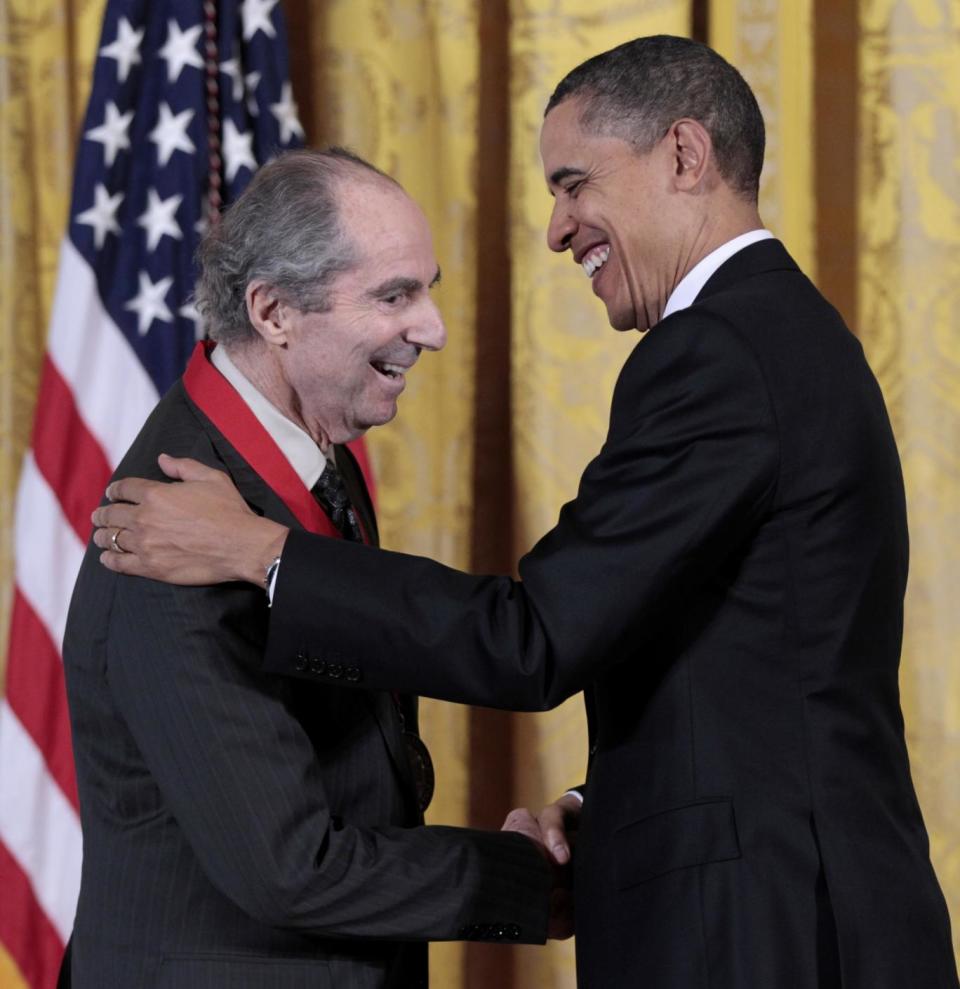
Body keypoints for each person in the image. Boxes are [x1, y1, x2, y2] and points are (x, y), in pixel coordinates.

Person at [92, 37, 960, 988]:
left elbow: (534, 636)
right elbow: (736, 659)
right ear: (273, 312)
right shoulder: (174, 514)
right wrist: (604, 811)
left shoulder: (720, 351)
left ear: (683, 156)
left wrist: (266, 555)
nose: (557, 228)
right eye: (396, 293)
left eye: (574, 181)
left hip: (773, 932)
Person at [62, 148, 562, 989]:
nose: (433, 327)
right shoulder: (169, 534)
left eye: (427, 287)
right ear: (274, 311)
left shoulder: (295, 466)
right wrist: (528, 882)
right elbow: (290, 864)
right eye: (394, 295)